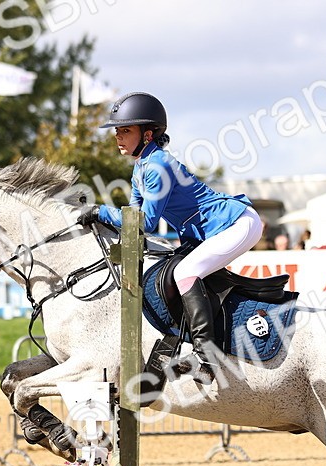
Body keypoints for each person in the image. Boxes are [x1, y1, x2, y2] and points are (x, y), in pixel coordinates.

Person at [77, 92, 263, 384]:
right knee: (171, 269)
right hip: (206, 232)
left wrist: (100, 211)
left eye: (125, 130)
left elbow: (146, 222)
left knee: (186, 272)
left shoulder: (157, 166)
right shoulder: (142, 168)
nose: (118, 137)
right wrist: (104, 215)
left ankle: (207, 356)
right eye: (117, 130)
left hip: (235, 223)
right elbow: (134, 215)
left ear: (148, 134)